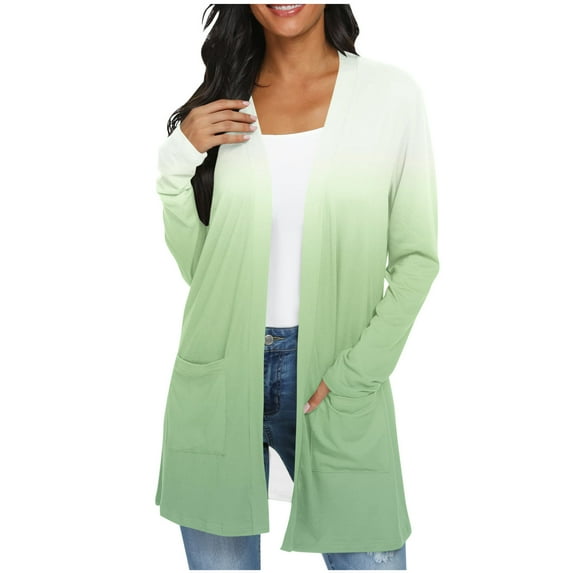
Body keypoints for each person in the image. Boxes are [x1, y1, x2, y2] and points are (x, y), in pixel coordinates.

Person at [154, 4, 439, 570]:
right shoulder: (223, 102)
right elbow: (205, 273)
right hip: (218, 374)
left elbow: (416, 260)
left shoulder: (390, 97)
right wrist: (177, 161)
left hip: (335, 376)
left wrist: (357, 374)